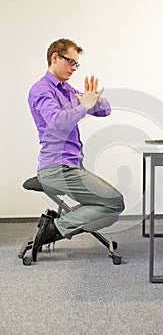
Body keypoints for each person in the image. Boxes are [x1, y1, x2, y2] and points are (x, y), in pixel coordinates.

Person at [28, 38, 125, 251]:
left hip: (71, 166)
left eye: (76, 64)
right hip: (56, 168)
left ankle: (55, 225)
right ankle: (54, 228)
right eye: (70, 62)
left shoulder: (66, 90)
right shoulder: (41, 90)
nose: (74, 68)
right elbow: (57, 122)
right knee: (113, 203)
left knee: (111, 202)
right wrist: (83, 106)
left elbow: (105, 110)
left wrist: (95, 101)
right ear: (55, 57)